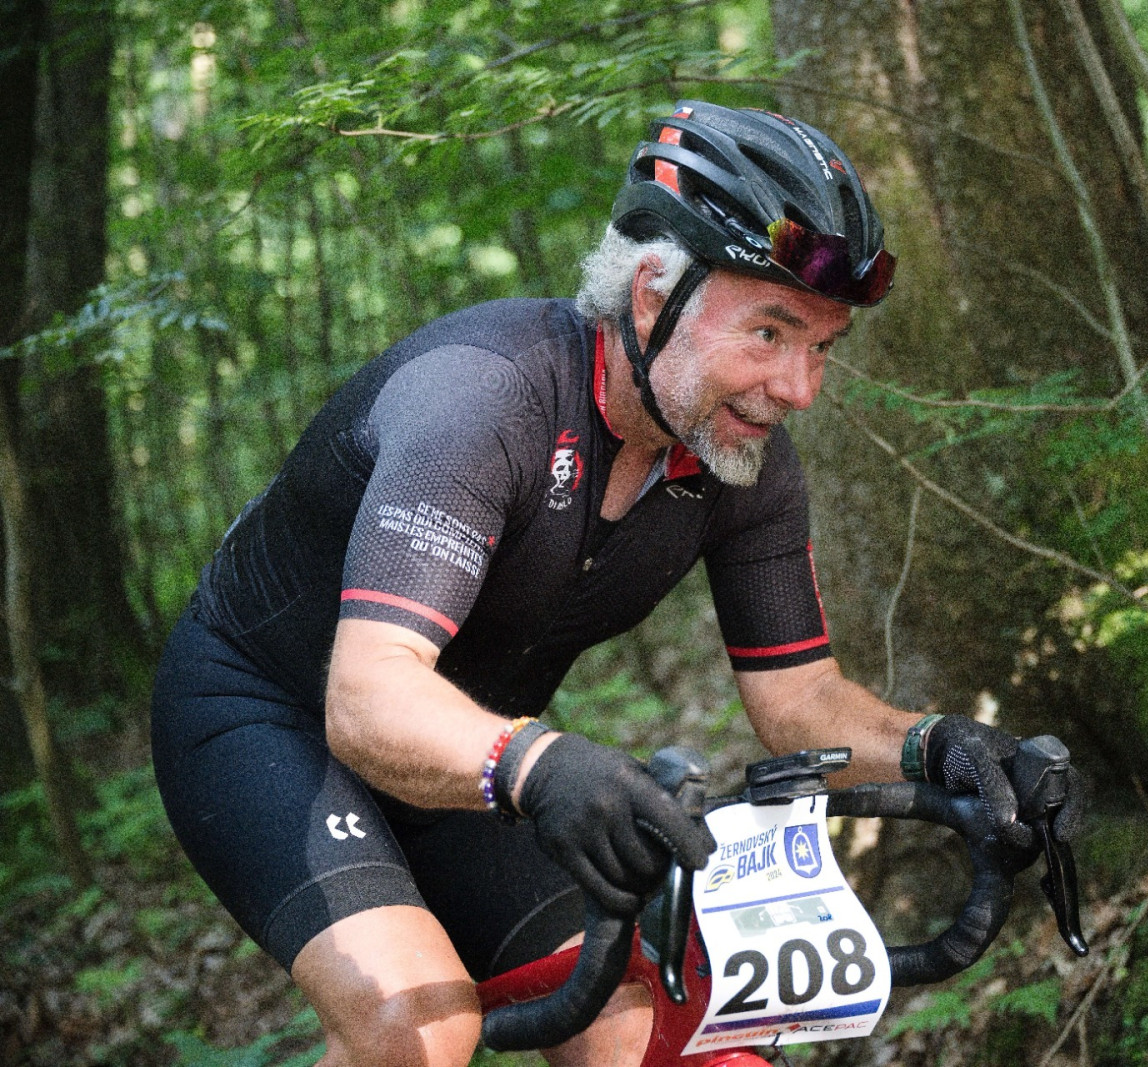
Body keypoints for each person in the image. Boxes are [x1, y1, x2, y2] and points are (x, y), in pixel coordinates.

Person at [150, 100, 1055, 1067]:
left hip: (467, 745)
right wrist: (540, 766)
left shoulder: (740, 460)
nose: (799, 388)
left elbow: (799, 702)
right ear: (652, 296)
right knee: (414, 1025)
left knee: (631, 1023)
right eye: (769, 332)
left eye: (821, 347)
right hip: (268, 714)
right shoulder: (483, 399)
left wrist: (940, 749)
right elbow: (369, 696)